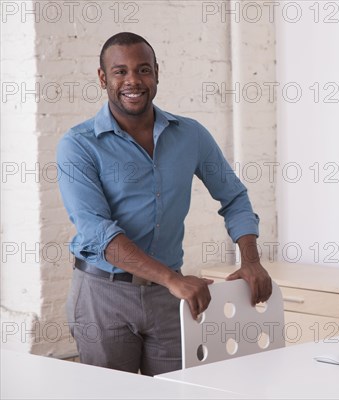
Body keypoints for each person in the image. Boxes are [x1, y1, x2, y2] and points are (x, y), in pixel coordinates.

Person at [57, 32, 272, 376]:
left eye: (143, 70)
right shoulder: (78, 146)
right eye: (120, 72)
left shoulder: (191, 135)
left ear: (157, 72)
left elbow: (234, 196)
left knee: (179, 392)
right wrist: (173, 279)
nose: (133, 81)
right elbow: (98, 233)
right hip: (104, 297)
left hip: (168, 299)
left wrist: (251, 261)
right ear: (103, 78)